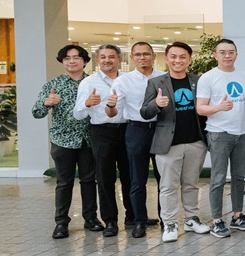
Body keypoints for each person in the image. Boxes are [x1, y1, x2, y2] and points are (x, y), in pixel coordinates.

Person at [140, 42, 211, 243]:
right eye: (173, 56)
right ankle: (170, 222)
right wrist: (156, 104)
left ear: (189, 59)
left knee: (191, 184)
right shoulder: (156, 83)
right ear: (166, 58)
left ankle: (191, 219)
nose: (177, 60)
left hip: (196, 142)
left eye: (182, 57)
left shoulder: (198, 81)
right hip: (168, 144)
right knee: (168, 186)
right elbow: (144, 112)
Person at [32, 45, 100, 239]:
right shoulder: (53, 85)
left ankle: (91, 219)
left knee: (89, 181)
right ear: (62, 62)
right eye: (67, 58)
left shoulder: (93, 83)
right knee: (64, 183)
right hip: (62, 140)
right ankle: (61, 223)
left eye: (77, 57)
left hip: (89, 139)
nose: (72, 61)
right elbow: (36, 112)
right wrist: (47, 103)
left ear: (85, 61)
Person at [196, 38, 245, 238]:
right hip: (219, 133)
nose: (227, 55)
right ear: (215, 55)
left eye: (231, 52)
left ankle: (237, 215)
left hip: (241, 134)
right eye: (223, 52)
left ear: (236, 55)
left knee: (239, 177)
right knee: (218, 178)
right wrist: (218, 107)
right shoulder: (208, 77)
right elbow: (200, 108)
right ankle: (216, 220)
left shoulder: (244, 76)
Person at [74, 44, 132, 237]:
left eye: (112, 57)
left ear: (119, 60)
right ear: (97, 59)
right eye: (103, 57)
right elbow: (78, 114)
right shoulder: (88, 83)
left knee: (130, 176)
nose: (108, 60)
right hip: (101, 132)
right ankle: (110, 220)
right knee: (105, 178)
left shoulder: (128, 79)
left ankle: (132, 216)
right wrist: (86, 103)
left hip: (127, 130)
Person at [108, 42, 165, 238]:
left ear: (153, 56)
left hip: (161, 130)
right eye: (138, 54)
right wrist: (110, 106)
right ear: (131, 57)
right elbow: (113, 112)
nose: (142, 58)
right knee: (137, 180)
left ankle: (166, 219)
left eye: (146, 54)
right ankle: (139, 221)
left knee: (163, 179)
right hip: (136, 130)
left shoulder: (164, 78)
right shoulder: (123, 81)